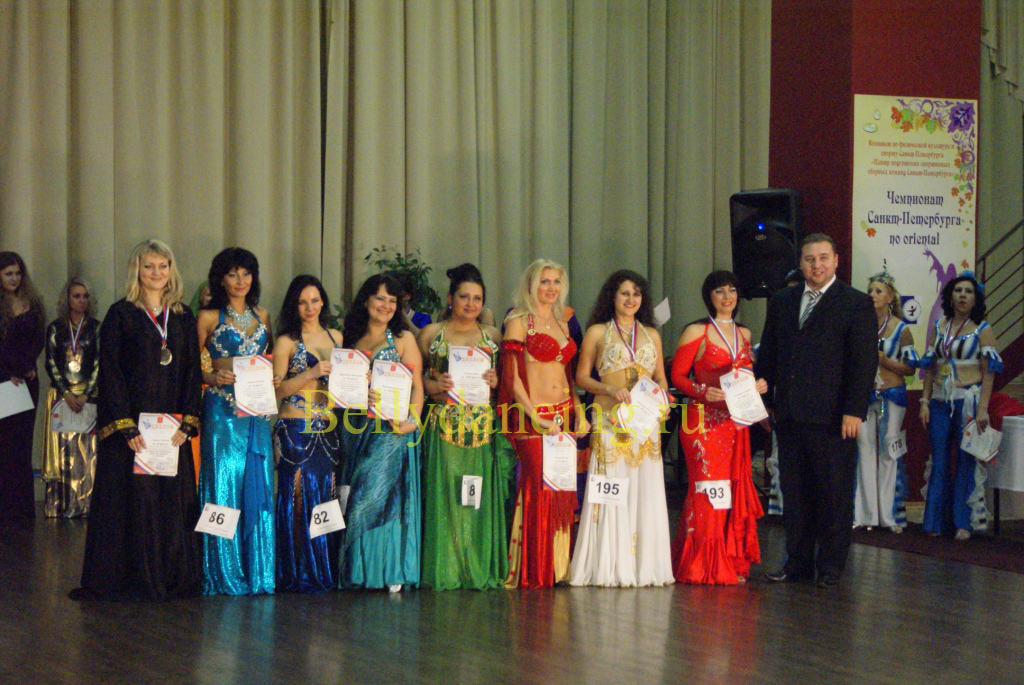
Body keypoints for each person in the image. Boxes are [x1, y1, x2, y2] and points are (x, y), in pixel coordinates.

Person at [75, 239, 202, 600]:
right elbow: (111, 372)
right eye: (149, 266)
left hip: (172, 430)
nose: (156, 273)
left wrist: (188, 420)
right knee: (134, 501)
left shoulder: (182, 316)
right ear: (137, 270)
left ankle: (171, 576)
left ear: (171, 270)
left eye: (163, 266)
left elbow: (192, 369)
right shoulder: (121, 314)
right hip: (133, 432)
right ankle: (134, 579)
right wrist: (124, 424)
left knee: (169, 502)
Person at [755, 233, 876, 588]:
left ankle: (831, 567)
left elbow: (863, 363)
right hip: (789, 415)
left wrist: (854, 410)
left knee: (833, 494)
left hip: (834, 418)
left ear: (836, 260)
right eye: (809, 259)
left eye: (823, 258)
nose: (817, 265)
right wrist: (765, 402)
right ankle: (797, 563)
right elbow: (769, 355)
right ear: (801, 263)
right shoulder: (783, 300)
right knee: (795, 494)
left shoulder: (855, 303)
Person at [570, 270, 674, 587]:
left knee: (645, 490)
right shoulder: (597, 332)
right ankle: (608, 564)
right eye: (625, 293)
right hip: (609, 419)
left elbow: (660, 378)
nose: (631, 299)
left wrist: (664, 399)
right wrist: (609, 389)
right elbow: (581, 378)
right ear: (612, 296)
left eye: (636, 294)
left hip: (644, 423)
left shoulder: (652, 334)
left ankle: (643, 566)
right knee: (611, 489)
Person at [418, 264, 515, 590]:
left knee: (477, 498)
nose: (470, 304)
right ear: (450, 299)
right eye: (464, 297)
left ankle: (476, 565)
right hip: (443, 427)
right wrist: (434, 384)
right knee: (446, 496)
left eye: (477, 298)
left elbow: (509, 385)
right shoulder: (431, 334)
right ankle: (446, 567)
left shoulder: (494, 337)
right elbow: (415, 380)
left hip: (483, 428)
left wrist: (497, 380)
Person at [670, 270, 766, 584]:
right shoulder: (696, 330)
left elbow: (744, 377)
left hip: (734, 423)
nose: (727, 297)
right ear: (709, 297)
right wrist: (701, 391)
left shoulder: (744, 333)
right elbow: (678, 376)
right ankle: (701, 563)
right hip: (703, 421)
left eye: (732, 290)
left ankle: (726, 558)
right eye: (720, 291)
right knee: (707, 491)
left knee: (729, 491)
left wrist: (758, 386)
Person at [498, 259, 589, 588]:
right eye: (544, 281)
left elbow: (567, 374)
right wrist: (532, 414)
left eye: (556, 282)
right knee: (538, 486)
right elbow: (511, 376)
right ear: (531, 284)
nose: (551, 288)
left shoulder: (563, 322)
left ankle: (557, 566)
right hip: (532, 416)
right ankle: (534, 569)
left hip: (564, 413)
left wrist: (579, 410)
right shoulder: (518, 321)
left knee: (560, 487)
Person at [197, 248, 277, 594]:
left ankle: (259, 572)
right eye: (232, 274)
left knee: (258, 485)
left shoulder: (263, 315)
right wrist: (211, 376)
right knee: (223, 485)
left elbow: (269, 360)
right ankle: (222, 572)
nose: (240, 281)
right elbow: (189, 366)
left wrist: (274, 378)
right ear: (221, 279)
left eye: (246, 273)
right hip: (221, 412)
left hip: (255, 412)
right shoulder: (208, 316)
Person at [338, 274, 424, 592]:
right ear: (366, 301)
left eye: (392, 301)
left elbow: (417, 387)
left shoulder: (403, 339)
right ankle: (359, 569)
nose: (387, 306)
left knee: (379, 495)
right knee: (356, 492)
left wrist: (413, 421)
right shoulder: (350, 339)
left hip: (391, 427)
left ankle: (388, 569)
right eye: (380, 298)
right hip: (355, 428)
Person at [271, 274, 343, 593]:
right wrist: (311, 372)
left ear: (322, 301)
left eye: (314, 300)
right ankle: (295, 570)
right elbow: (277, 391)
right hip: (295, 428)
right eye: (302, 302)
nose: (309, 307)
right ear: (294, 306)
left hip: (327, 428)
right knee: (296, 497)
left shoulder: (336, 337)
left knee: (324, 496)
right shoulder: (286, 341)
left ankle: (321, 569)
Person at [919, 271, 1002, 541]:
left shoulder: (982, 329)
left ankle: (962, 522)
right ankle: (934, 522)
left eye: (968, 291)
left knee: (966, 461)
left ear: (975, 298)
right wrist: (924, 401)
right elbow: (930, 368)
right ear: (950, 296)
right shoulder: (939, 326)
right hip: (940, 401)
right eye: (958, 291)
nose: (963, 295)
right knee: (939, 460)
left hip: (968, 400)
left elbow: (988, 372)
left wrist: (983, 409)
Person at [853, 271, 917, 533]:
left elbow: (911, 368)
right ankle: (866, 515)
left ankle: (889, 516)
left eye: (878, 291)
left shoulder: (901, 329)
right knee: (864, 450)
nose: (873, 295)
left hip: (892, 395)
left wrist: (885, 361)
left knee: (889, 452)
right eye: (870, 291)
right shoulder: (860, 324)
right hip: (865, 395)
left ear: (890, 297)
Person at [42, 277, 100, 518]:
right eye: (76, 296)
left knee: (87, 453)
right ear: (67, 298)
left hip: (88, 397)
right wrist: (65, 392)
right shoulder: (56, 327)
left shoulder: (96, 327)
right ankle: (61, 505)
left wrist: (86, 394)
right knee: (62, 453)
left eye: (85, 296)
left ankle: (86, 506)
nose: (81, 301)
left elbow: (99, 362)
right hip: (61, 396)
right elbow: (50, 363)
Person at [0, 251, 46, 524]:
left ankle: (22, 510)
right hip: (4, 380)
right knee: (4, 445)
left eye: (18, 273)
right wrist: (10, 370)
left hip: (26, 381)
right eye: (8, 274)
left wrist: (27, 365)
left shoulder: (33, 302)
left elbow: (38, 339)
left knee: (22, 444)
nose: (14, 278)